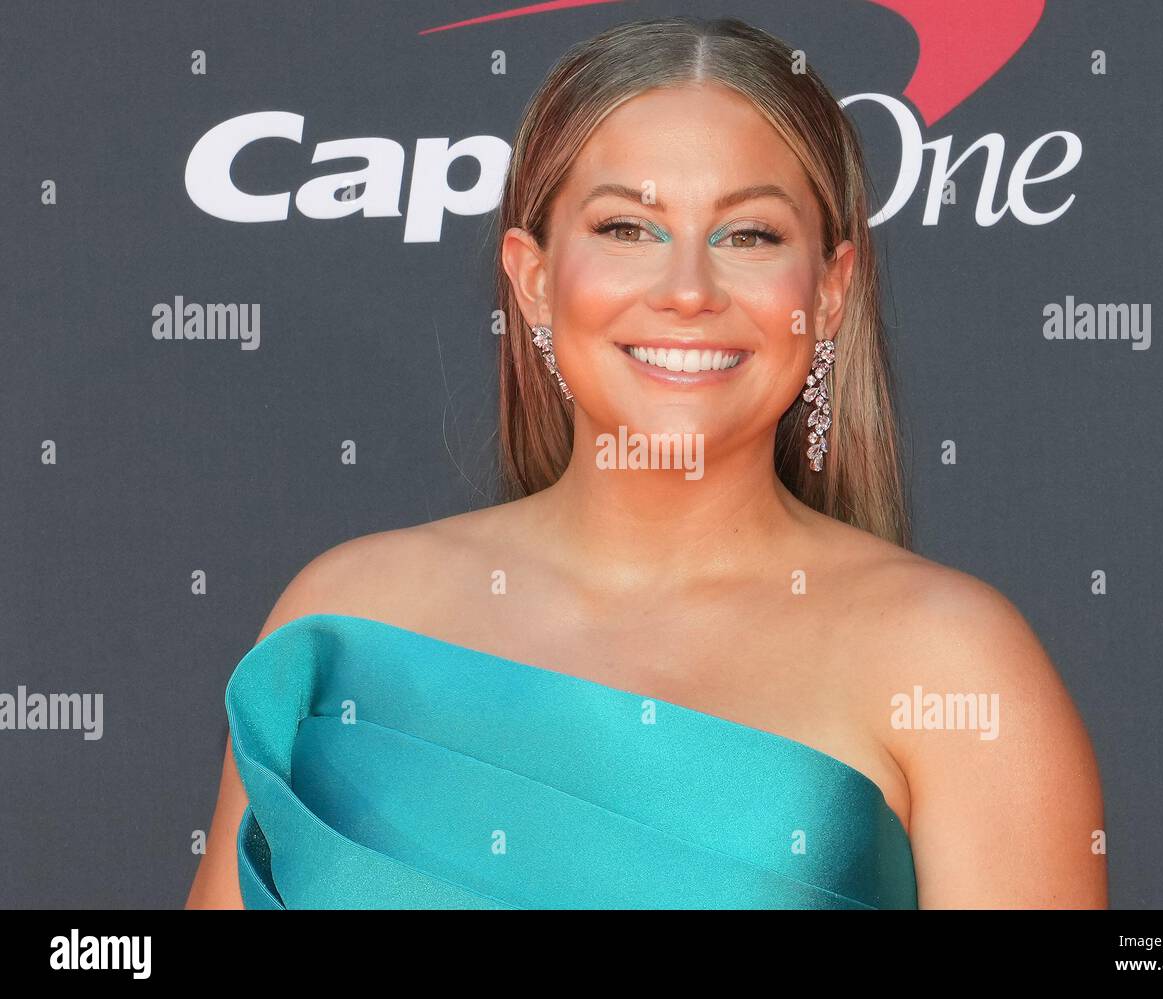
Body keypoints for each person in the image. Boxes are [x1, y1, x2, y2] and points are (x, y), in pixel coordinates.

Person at [187, 16, 1106, 909]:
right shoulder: (346, 618)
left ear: (829, 293)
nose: (689, 291)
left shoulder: (954, 664)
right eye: (628, 228)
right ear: (534, 278)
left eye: (749, 235)